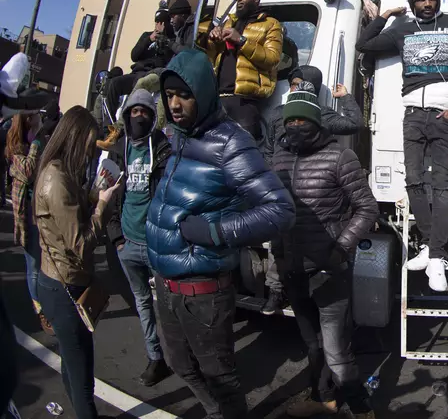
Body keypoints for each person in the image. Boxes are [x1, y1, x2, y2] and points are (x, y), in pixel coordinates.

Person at [147, 49, 295, 419]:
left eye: (184, 94)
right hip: (166, 284)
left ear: (204, 93)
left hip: (203, 292)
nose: (175, 104)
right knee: (179, 364)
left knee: (221, 378)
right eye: (169, 96)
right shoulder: (178, 137)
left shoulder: (231, 142)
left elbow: (280, 210)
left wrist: (215, 231)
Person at [355, 0, 448, 291]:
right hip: (412, 115)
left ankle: (437, 258)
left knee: (440, 186)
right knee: (413, 181)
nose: (428, 4)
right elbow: (363, 44)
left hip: (444, 116)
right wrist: (384, 15)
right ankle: (429, 246)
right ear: (413, 4)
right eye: (421, 0)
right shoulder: (402, 30)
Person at [272, 89, 379, 419]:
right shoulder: (278, 158)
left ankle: (362, 410)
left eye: (302, 119)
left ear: (317, 122)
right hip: (292, 269)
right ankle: (327, 401)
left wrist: (341, 247)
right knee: (312, 344)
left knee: (336, 353)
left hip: (328, 271)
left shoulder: (339, 157)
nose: (296, 125)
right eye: (290, 120)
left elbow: (367, 208)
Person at [34, 106, 122, 419]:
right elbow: (81, 244)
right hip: (65, 286)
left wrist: (91, 195)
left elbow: (65, 221)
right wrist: (102, 206)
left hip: (59, 281)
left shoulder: (58, 172)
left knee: (73, 366)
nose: (88, 155)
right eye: (87, 147)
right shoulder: (56, 181)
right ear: (73, 140)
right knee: (82, 375)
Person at [261, 65, 364, 315]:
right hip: (281, 184)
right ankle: (276, 291)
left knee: (312, 243)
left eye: (300, 84)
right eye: (292, 84)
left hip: (313, 186)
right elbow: (267, 148)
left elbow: (354, 123)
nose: (294, 89)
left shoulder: (322, 115)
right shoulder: (277, 113)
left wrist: (347, 97)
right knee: (279, 243)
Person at [103, 90, 173, 387]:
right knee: (143, 303)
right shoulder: (119, 149)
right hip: (128, 242)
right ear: (127, 114)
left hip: (156, 243)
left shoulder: (162, 146)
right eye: (135, 112)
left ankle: (183, 358)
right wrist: (117, 238)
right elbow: (106, 195)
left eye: (145, 111)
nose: (140, 116)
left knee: (170, 306)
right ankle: (155, 358)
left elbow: (171, 190)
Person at [206, 0, 283, 140]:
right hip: (219, 98)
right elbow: (213, 57)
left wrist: (241, 40)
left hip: (244, 101)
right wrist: (213, 40)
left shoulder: (270, 24)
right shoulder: (229, 22)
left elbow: (273, 59)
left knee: (245, 153)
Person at [6, 112, 46, 326]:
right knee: (34, 266)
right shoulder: (20, 148)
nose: (40, 119)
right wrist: (37, 142)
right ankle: (40, 309)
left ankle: (45, 302)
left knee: (44, 262)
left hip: (42, 210)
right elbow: (29, 170)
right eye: (36, 116)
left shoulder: (36, 142)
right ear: (27, 121)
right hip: (27, 216)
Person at [105, 3, 176, 120]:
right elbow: (134, 55)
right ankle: (108, 127)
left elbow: (166, 59)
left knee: (141, 83)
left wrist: (164, 40)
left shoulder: (171, 40)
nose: (158, 26)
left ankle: (124, 124)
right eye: (156, 22)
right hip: (136, 73)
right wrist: (149, 40)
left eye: (162, 23)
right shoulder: (146, 35)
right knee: (114, 83)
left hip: (151, 75)